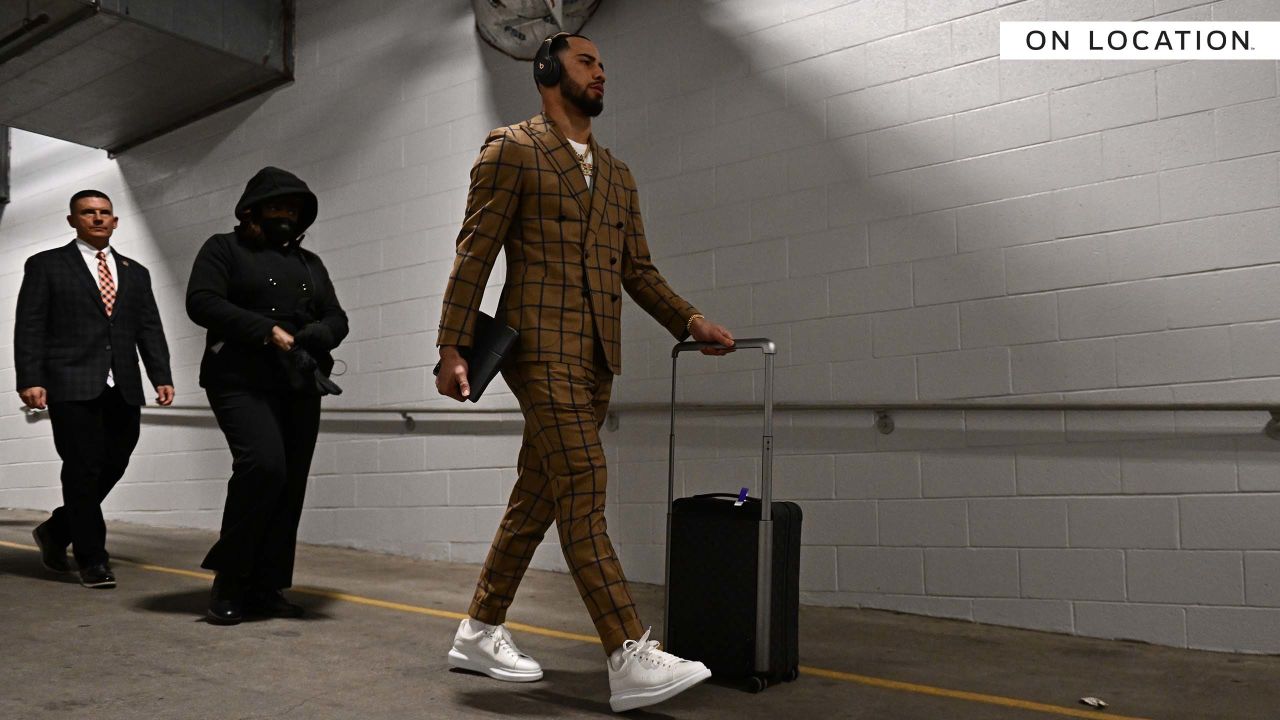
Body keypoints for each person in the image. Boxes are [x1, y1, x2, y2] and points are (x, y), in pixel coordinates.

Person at [435, 33, 735, 713]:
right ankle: (628, 654)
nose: (601, 73)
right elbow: (473, 253)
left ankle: (479, 631)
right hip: (537, 348)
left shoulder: (619, 174)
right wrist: (452, 345)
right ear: (547, 73)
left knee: (537, 497)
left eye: (603, 65)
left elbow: (637, 270)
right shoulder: (511, 148)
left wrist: (689, 321)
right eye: (586, 62)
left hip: (598, 355)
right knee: (584, 484)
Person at [187, 167, 348, 625]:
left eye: (293, 210)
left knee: (290, 483)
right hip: (238, 377)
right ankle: (231, 578)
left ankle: (267, 584)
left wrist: (318, 333)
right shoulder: (223, 249)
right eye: (277, 207)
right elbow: (201, 301)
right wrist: (266, 330)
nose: (286, 216)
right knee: (263, 465)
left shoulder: (309, 264)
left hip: (297, 381)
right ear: (252, 211)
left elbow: (338, 317)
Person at [15, 189, 174, 589]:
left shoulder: (135, 271)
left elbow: (148, 327)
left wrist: (161, 374)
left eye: (105, 213)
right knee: (82, 467)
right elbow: (30, 325)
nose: (98, 218)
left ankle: (57, 529)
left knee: (115, 462)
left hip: (123, 383)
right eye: (88, 213)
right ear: (72, 220)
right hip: (69, 382)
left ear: (115, 221)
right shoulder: (46, 265)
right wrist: (30, 379)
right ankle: (92, 558)